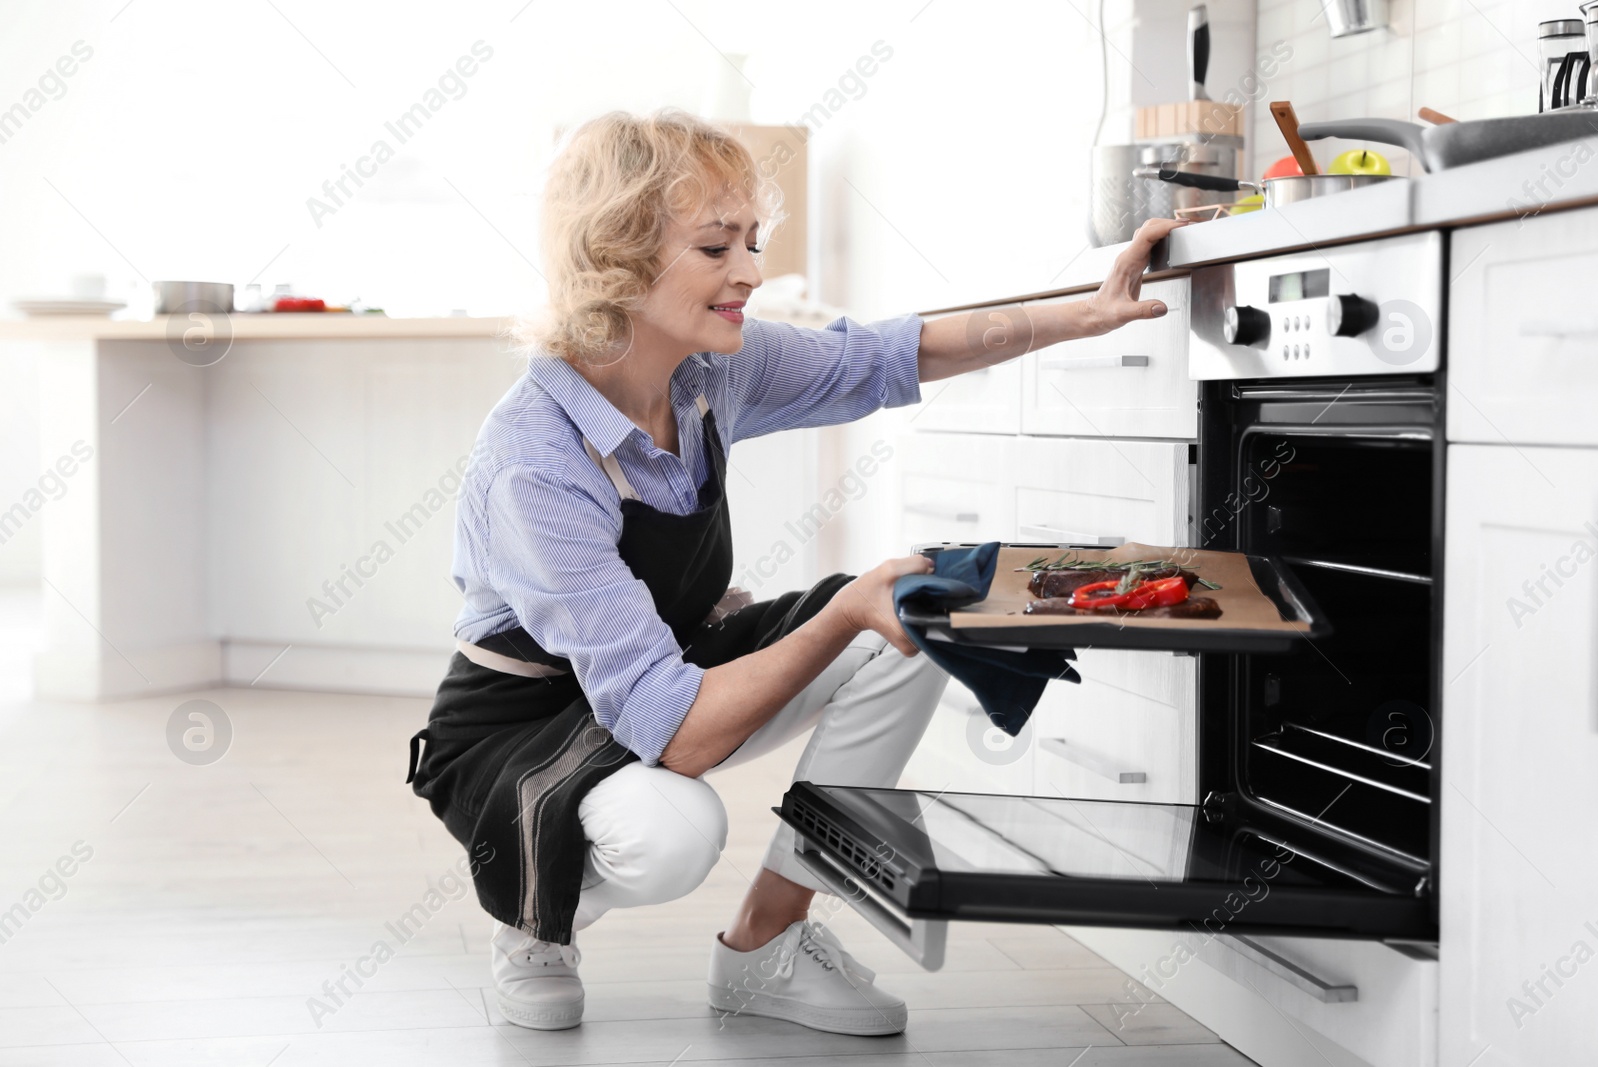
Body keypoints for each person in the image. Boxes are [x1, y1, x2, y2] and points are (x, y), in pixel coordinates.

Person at [405, 107, 1185, 1037]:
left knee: (913, 618)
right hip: (519, 725)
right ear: (615, 255)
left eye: (751, 241)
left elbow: (892, 353)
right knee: (671, 831)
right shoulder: (536, 461)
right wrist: (838, 615)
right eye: (715, 246)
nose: (750, 271)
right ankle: (535, 916)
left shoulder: (706, 372)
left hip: (667, 667)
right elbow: (678, 734)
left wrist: (1081, 315)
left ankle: (765, 946)